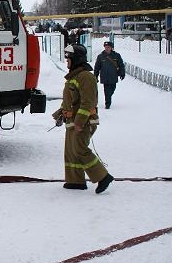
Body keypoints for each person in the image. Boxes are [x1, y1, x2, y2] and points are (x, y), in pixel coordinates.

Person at [52, 44, 114, 194]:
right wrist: (60, 114)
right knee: (71, 152)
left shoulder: (86, 77)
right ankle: (75, 181)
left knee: (80, 149)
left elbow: (88, 102)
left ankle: (103, 177)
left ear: (76, 59)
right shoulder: (74, 77)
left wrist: (80, 122)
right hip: (72, 121)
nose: (67, 61)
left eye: (69, 58)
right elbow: (69, 101)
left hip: (84, 122)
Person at [94, 41, 125, 109]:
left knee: (112, 89)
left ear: (111, 48)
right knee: (107, 90)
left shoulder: (117, 55)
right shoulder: (100, 56)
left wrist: (122, 73)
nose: (107, 48)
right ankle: (107, 103)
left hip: (113, 76)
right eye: (106, 47)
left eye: (108, 47)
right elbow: (97, 67)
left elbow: (121, 65)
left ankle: (108, 98)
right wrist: (95, 76)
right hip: (105, 76)